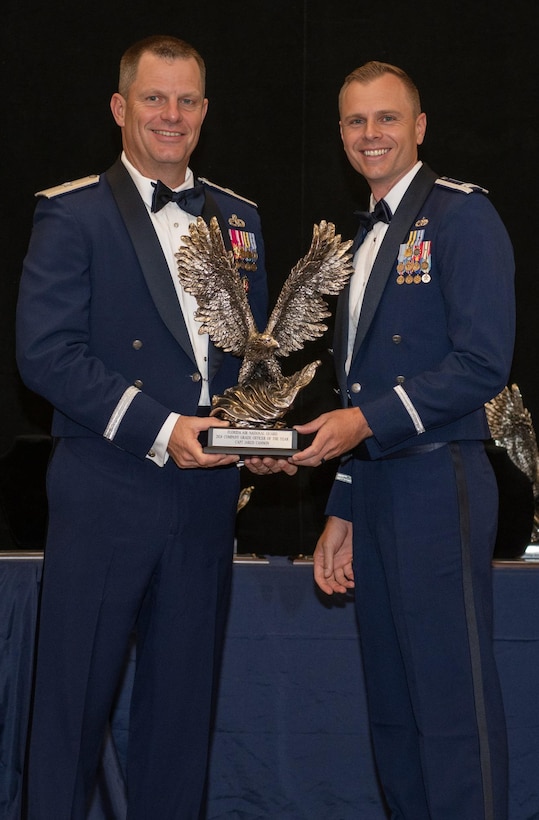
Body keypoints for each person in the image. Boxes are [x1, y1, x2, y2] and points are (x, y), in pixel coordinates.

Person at [16, 34, 268, 819]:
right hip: (105, 491)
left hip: (202, 506)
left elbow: (249, 359)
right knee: (69, 716)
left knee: (181, 720)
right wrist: (165, 429)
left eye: (187, 100)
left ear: (204, 112)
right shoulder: (71, 213)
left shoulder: (240, 217)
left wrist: (254, 434)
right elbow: (46, 355)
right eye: (154, 98)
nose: (171, 115)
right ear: (121, 108)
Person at [291, 61, 515, 819]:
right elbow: (358, 389)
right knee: (390, 701)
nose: (369, 134)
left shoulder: (461, 217)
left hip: (436, 480)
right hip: (380, 484)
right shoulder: (365, 234)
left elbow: (482, 362)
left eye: (386, 118)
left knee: (449, 702)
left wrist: (366, 425)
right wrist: (345, 504)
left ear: (418, 128)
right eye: (355, 121)